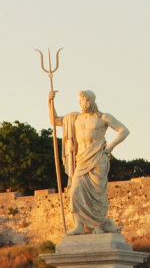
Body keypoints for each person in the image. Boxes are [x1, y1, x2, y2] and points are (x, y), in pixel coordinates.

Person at [49, 88, 129, 236]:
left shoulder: (103, 117)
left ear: (91, 101)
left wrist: (110, 147)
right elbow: (54, 121)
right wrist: (50, 101)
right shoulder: (74, 118)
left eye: (85, 100)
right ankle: (79, 225)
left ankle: (98, 225)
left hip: (98, 157)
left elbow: (124, 130)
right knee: (74, 192)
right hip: (81, 159)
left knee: (98, 194)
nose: (82, 103)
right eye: (80, 100)